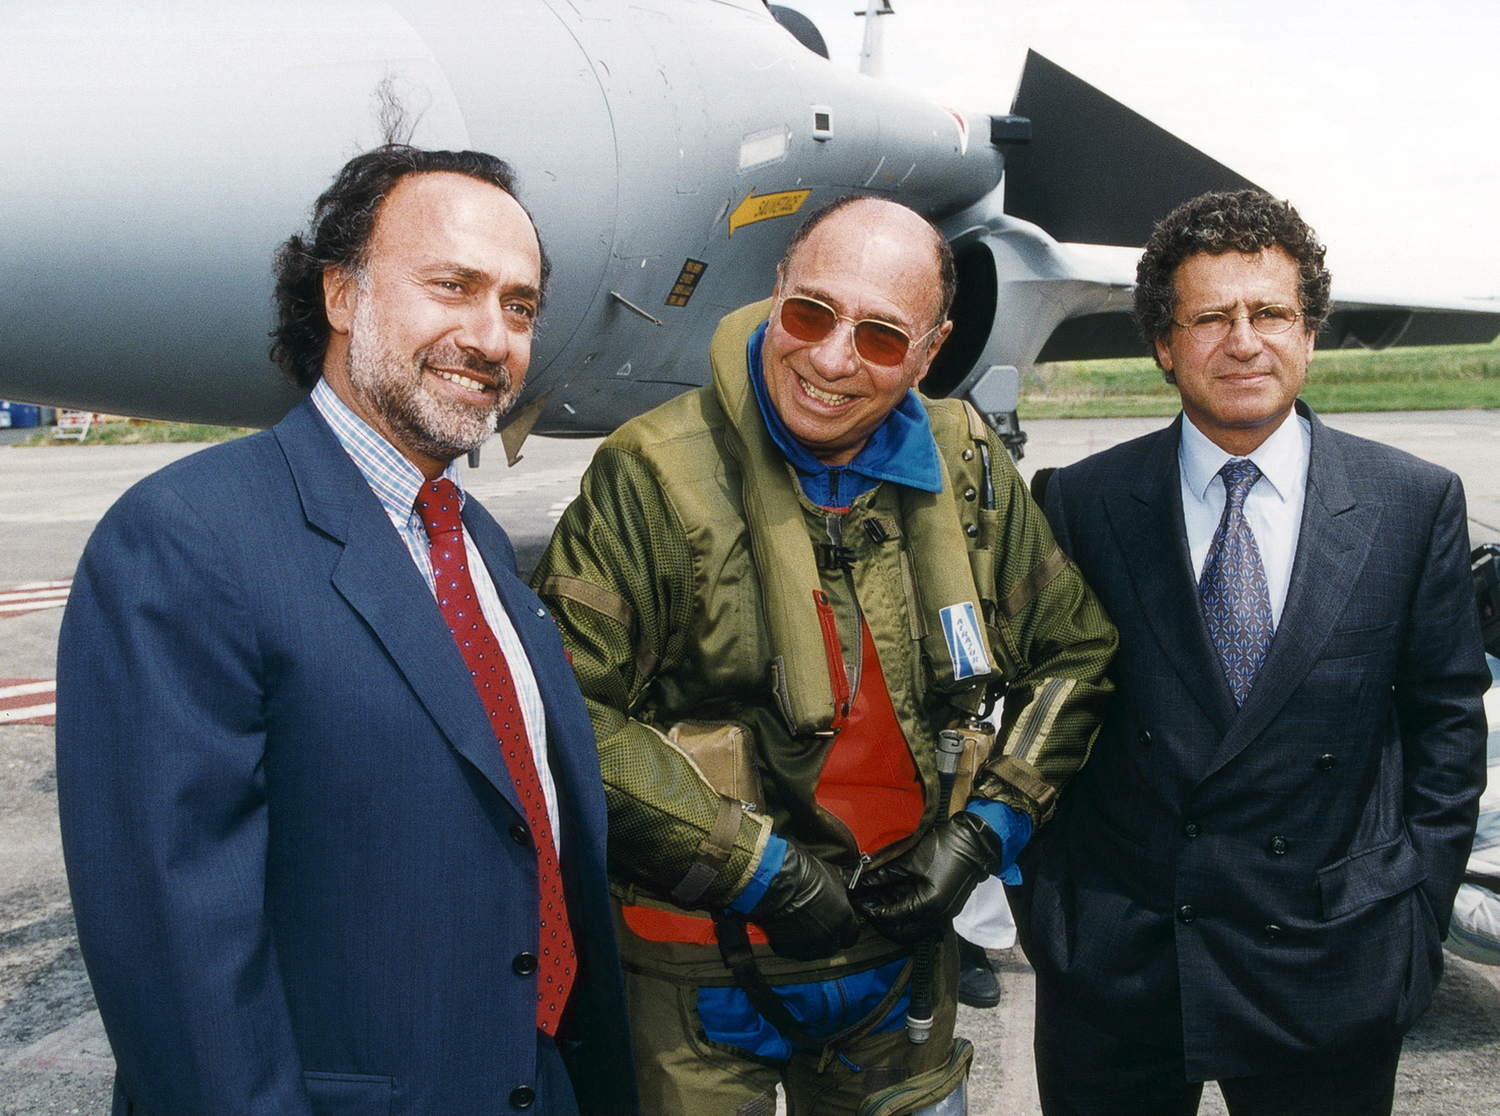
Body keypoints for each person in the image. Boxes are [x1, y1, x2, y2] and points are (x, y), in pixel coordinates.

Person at [56, 145, 636, 1116]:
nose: (492, 337)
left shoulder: (475, 539)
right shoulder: (186, 542)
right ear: (340, 294)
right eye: (452, 286)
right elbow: (180, 968)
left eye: (521, 306)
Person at [532, 195, 1116, 1114]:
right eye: (811, 313)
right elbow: (564, 706)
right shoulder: (653, 473)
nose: (834, 359)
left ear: (931, 350)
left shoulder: (967, 468)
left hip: (897, 963)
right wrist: (755, 869)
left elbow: (1073, 655)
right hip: (695, 968)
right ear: (775, 293)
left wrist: (983, 833)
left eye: (884, 337)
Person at [1018, 189, 1490, 1116]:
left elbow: (1446, 732)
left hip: (1326, 959)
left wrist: (1413, 919)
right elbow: (1043, 713)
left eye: (1270, 312)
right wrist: (1051, 909)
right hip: (1122, 964)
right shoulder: (1081, 501)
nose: (1243, 340)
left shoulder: (1411, 503)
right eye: (1210, 317)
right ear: (1164, 344)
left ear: (1308, 334)